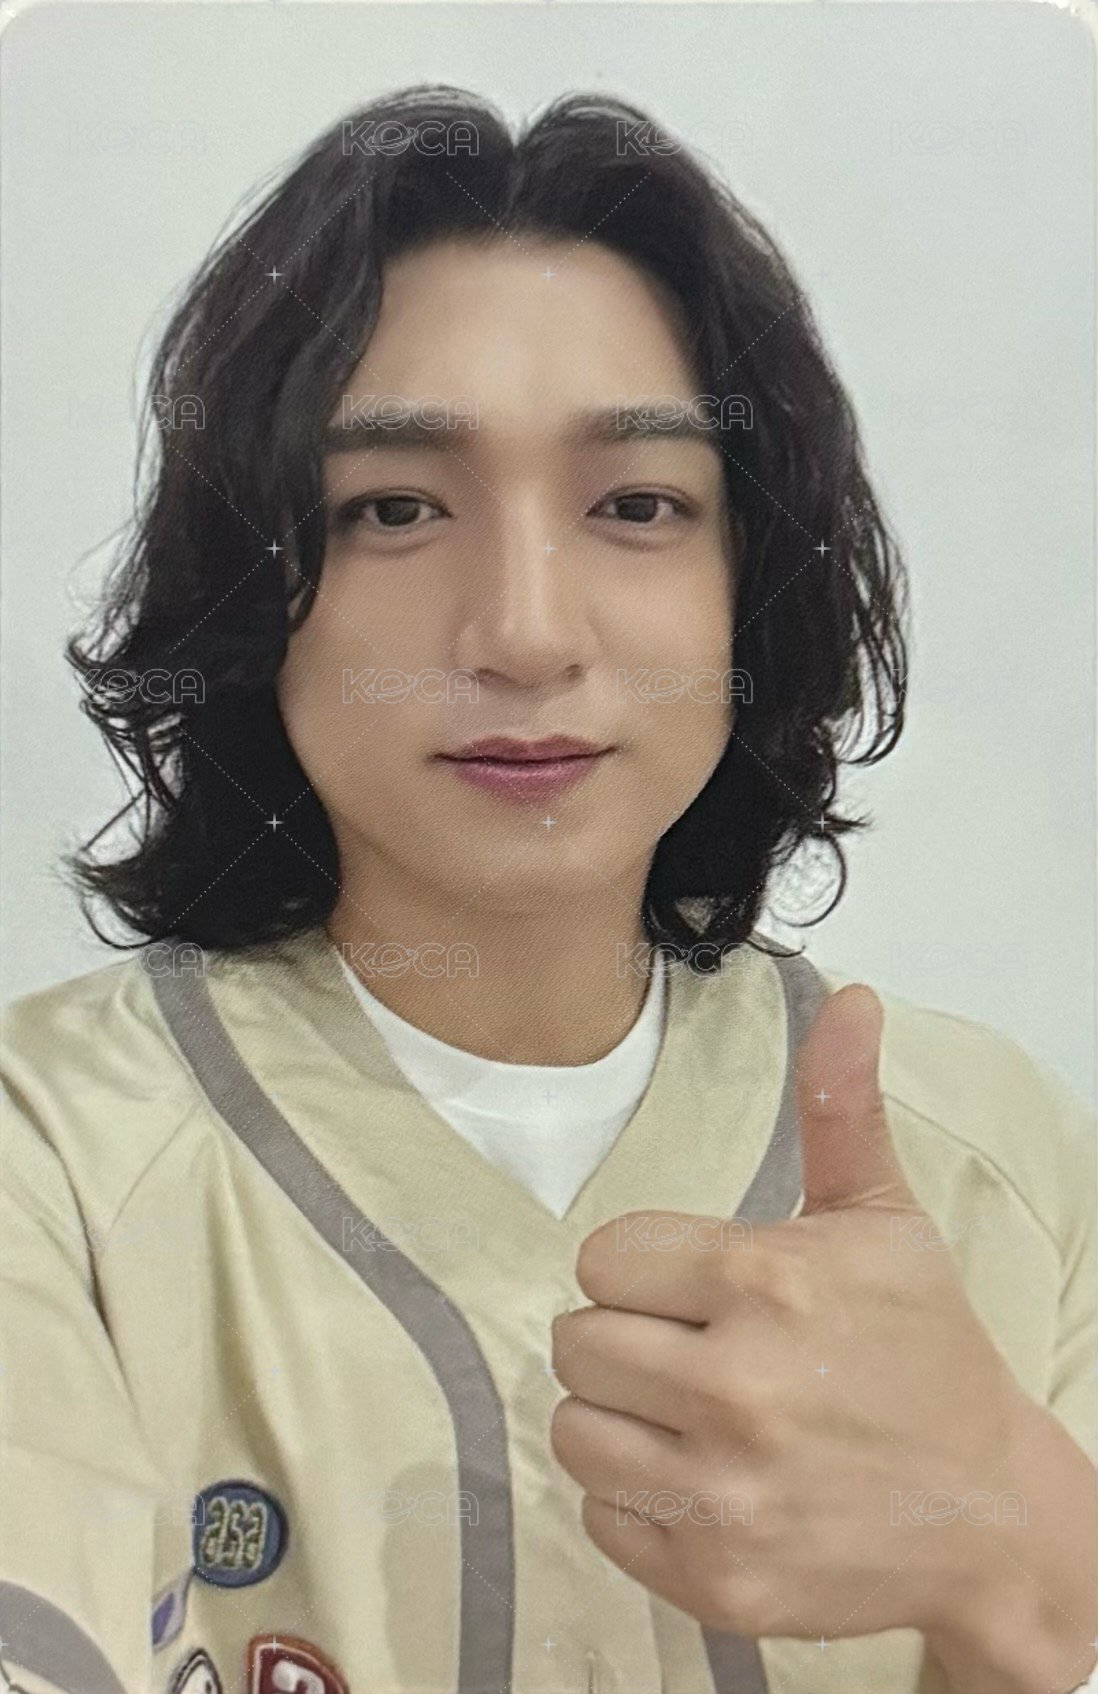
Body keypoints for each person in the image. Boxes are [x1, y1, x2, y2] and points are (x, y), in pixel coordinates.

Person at [1, 85, 1095, 1694]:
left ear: (750, 582)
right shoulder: (51, 1156)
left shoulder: (1002, 1169)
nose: (521, 630)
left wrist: (1018, 1555)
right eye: (391, 508)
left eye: (635, 505)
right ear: (253, 586)